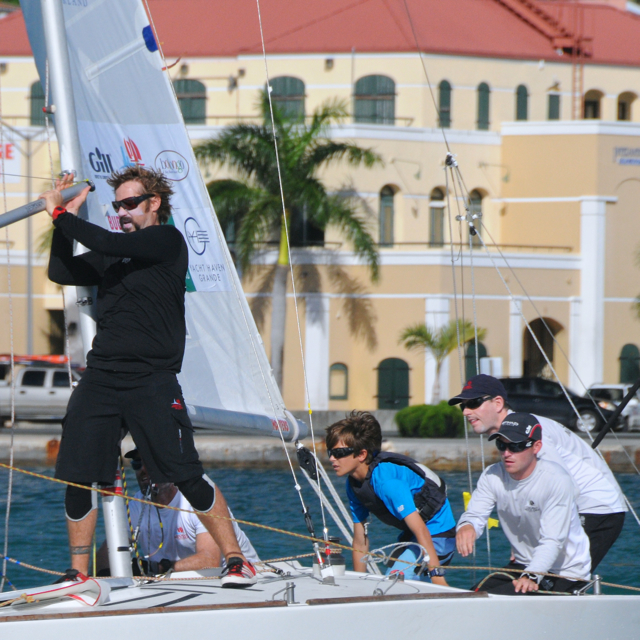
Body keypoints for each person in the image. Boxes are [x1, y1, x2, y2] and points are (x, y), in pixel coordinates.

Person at [42, 168, 256, 587]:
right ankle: (79, 574)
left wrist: (60, 215)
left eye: (129, 204)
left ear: (153, 203)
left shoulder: (165, 241)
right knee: (77, 472)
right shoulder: (112, 254)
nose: (121, 212)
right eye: (116, 205)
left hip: (151, 377)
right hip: (103, 376)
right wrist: (62, 222)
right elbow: (61, 271)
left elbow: (107, 239)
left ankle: (235, 559)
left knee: (182, 472)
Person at [449, 374, 627, 572]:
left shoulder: (530, 432)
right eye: (462, 406)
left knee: (558, 576)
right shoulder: (514, 433)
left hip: (597, 507)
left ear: (498, 403)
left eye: (473, 403)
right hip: (573, 505)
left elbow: (563, 488)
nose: (466, 412)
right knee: (531, 573)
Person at [457, 412, 592, 594]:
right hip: (523, 564)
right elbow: (475, 515)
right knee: (473, 596)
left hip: (565, 572)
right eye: (501, 445)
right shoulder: (492, 475)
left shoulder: (556, 479)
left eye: (516, 446)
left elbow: (552, 540)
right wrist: (467, 525)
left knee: (494, 600)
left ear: (536, 447)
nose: (506, 453)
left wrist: (532, 575)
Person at [326, 411, 455, 585]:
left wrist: (437, 576)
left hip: (438, 534)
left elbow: (421, 530)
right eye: (330, 452)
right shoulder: (354, 486)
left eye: (339, 452)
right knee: (388, 579)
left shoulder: (387, 482)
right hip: (412, 535)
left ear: (362, 454)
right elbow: (360, 541)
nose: (332, 458)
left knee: (395, 580)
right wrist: (358, 585)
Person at [97, 450, 259, 576]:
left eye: (151, 462)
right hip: (174, 580)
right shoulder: (136, 506)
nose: (144, 470)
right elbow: (108, 551)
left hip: (236, 574)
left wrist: (159, 567)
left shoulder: (197, 500)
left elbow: (210, 560)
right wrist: (104, 575)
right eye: (138, 463)